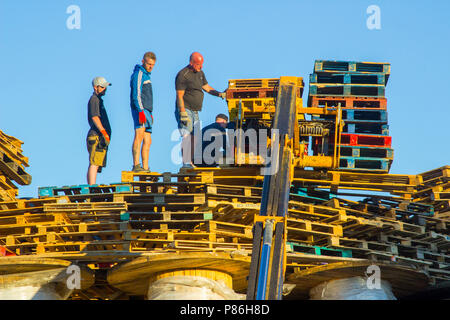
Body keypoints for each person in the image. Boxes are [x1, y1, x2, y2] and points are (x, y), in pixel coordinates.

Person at [175, 52, 226, 168]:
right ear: (191, 63)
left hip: (195, 110)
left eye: (201, 64)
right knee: (186, 135)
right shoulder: (183, 75)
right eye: (198, 64)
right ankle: (186, 162)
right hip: (186, 109)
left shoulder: (200, 73)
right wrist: (182, 111)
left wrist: (219, 94)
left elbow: (207, 88)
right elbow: (179, 95)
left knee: (195, 136)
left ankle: (191, 161)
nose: (201, 66)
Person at [130, 52, 156, 172]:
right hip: (139, 110)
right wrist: (140, 110)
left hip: (147, 111)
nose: (151, 66)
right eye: (149, 64)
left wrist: (150, 113)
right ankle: (136, 165)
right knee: (139, 135)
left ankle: (145, 167)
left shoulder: (148, 76)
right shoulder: (139, 74)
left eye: (153, 65)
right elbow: (137, 93)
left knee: (148, 140)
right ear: (143, 61)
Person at [86, 76, 112, 185]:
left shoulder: (99, 100)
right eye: (102, 87)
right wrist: (104, 132)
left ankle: (92, 186)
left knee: (96, 163)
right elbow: (95, 117)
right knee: (94, 163)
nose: (105, 89)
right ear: (95, 87)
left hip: (99, 136)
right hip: (96, 136)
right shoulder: (94, 99)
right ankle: (91, 187)